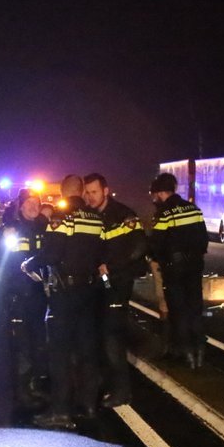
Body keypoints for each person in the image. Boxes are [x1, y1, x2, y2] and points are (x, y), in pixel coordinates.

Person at [27, 174, 104, 429]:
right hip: (90, 291)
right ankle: (89, 405)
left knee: (59, 352)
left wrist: (30, 263)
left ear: (62, 192)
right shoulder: (95, 218)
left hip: (65, 293)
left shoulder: (62, 216)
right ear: (81, 191)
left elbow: (51, 252)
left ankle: (60, 412)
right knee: (86, 350)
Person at [84, 172, 146, 408]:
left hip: (117, 281)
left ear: (106, 191)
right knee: (101, 333)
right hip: (101, 283)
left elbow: (139, 245)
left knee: (112, 336)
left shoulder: (123, 214)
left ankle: (122, 391)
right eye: (87, 192)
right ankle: (108, 383)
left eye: (94, 192)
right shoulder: (90, 216)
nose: (90, 197)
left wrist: (112, 266)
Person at [0, 189, 49, 412]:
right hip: (17, 296)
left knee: (39, 341)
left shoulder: (44, 227)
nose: (33, 206)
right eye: (29, 202)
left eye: (36, 202)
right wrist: (4, 241)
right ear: (21, 206)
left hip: (40, 296)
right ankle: (22, 392)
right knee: (22, 345)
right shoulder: (10, 229)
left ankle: (36, 382)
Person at [148, 172, 210, 367]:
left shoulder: (164, 214)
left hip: (173, 269)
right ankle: (199, 350)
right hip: (195, 266)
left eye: (154, 194)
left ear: (160, 193)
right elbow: (203, 239)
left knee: (178, 311)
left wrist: (156, 258)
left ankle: (187, 354)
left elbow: (156, 245)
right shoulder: (194, 209)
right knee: (195, 308)